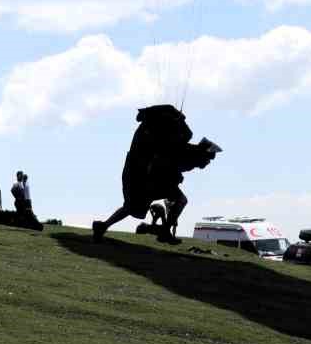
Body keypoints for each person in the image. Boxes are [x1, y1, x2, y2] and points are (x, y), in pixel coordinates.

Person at [92, 105, 219, 244]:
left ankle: (103, 226)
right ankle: (163, 231)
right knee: (174, 201)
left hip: (152, 180)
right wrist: (175, 178)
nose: (208, 163)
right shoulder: (186, 151)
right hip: (148, 179)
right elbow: (164, 161)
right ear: (203, 153)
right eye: (209, 158)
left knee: (132, 207)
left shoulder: (189, 155)